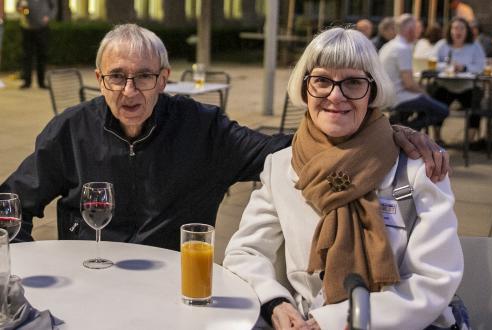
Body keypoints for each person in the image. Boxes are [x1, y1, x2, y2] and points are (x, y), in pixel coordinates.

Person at [1, 24, 449, 251]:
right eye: (116, 77)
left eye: (143, 77)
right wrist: (31, 267)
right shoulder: (71, 129)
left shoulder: (204, 129)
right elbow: (11, 206)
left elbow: (285, 148)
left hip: (173, 285)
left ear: (164, 78)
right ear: (99, 79)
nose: (129, 91)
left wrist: (381, 133)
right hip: (91, 276)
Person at [223, 26, 462, 330]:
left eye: (352, 82)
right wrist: (275, 302)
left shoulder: (420, 168)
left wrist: (331, 322)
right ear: (305, 87)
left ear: (372, 91)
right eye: (322, 81)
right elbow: (246, 252)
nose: (335, 96)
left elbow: (434, 281)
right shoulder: (281, 166)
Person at [379, 14, 449, 137]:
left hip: (386, 95)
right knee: (443, 110)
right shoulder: (403, 48)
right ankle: (404, 132)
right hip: (399, 97)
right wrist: (424, 92)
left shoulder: (388, 46)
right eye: (418, 29)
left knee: (425, 103)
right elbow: (409, 84)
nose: (420, 32)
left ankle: (402, 128)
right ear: (411, 30)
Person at [432, 17, 486, 144]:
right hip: (445, 84)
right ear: (450, 30)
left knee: (475, 106)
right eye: (455, 28)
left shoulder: (475, 46)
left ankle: (469, 141)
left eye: (461, 28)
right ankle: (437, 137)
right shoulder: (442, 45)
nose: (458, 31)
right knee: (436, 100)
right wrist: (448, 67)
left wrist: (464, 67)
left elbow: (480, 66)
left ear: (467, 31)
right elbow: (432, 63)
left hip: (467, 86)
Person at [17, 0, 56, 89]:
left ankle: (41, 82)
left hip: (42, 28)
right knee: (27, 55)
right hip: (27, 28)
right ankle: (27, 82)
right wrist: (20, 9)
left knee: (42, 55)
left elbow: (54, 7)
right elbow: (18, 7)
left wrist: (49, 17)